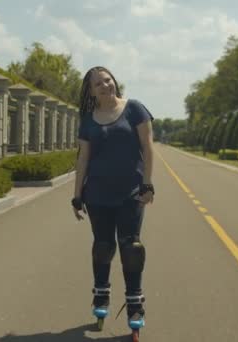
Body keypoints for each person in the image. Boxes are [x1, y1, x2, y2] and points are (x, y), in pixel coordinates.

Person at [71, 66, 155, 330]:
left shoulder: (135, 109)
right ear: (91, 91)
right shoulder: (88, 119)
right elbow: (82, 158)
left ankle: (134, 305)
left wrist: (147, 184)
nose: (106, 85)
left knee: (131, 247)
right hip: (96, 194)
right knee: (104, 246)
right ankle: (101, 294)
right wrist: (76, 195)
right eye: (98, 84)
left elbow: (148, 147)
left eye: (108, 80)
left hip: (130, 193)